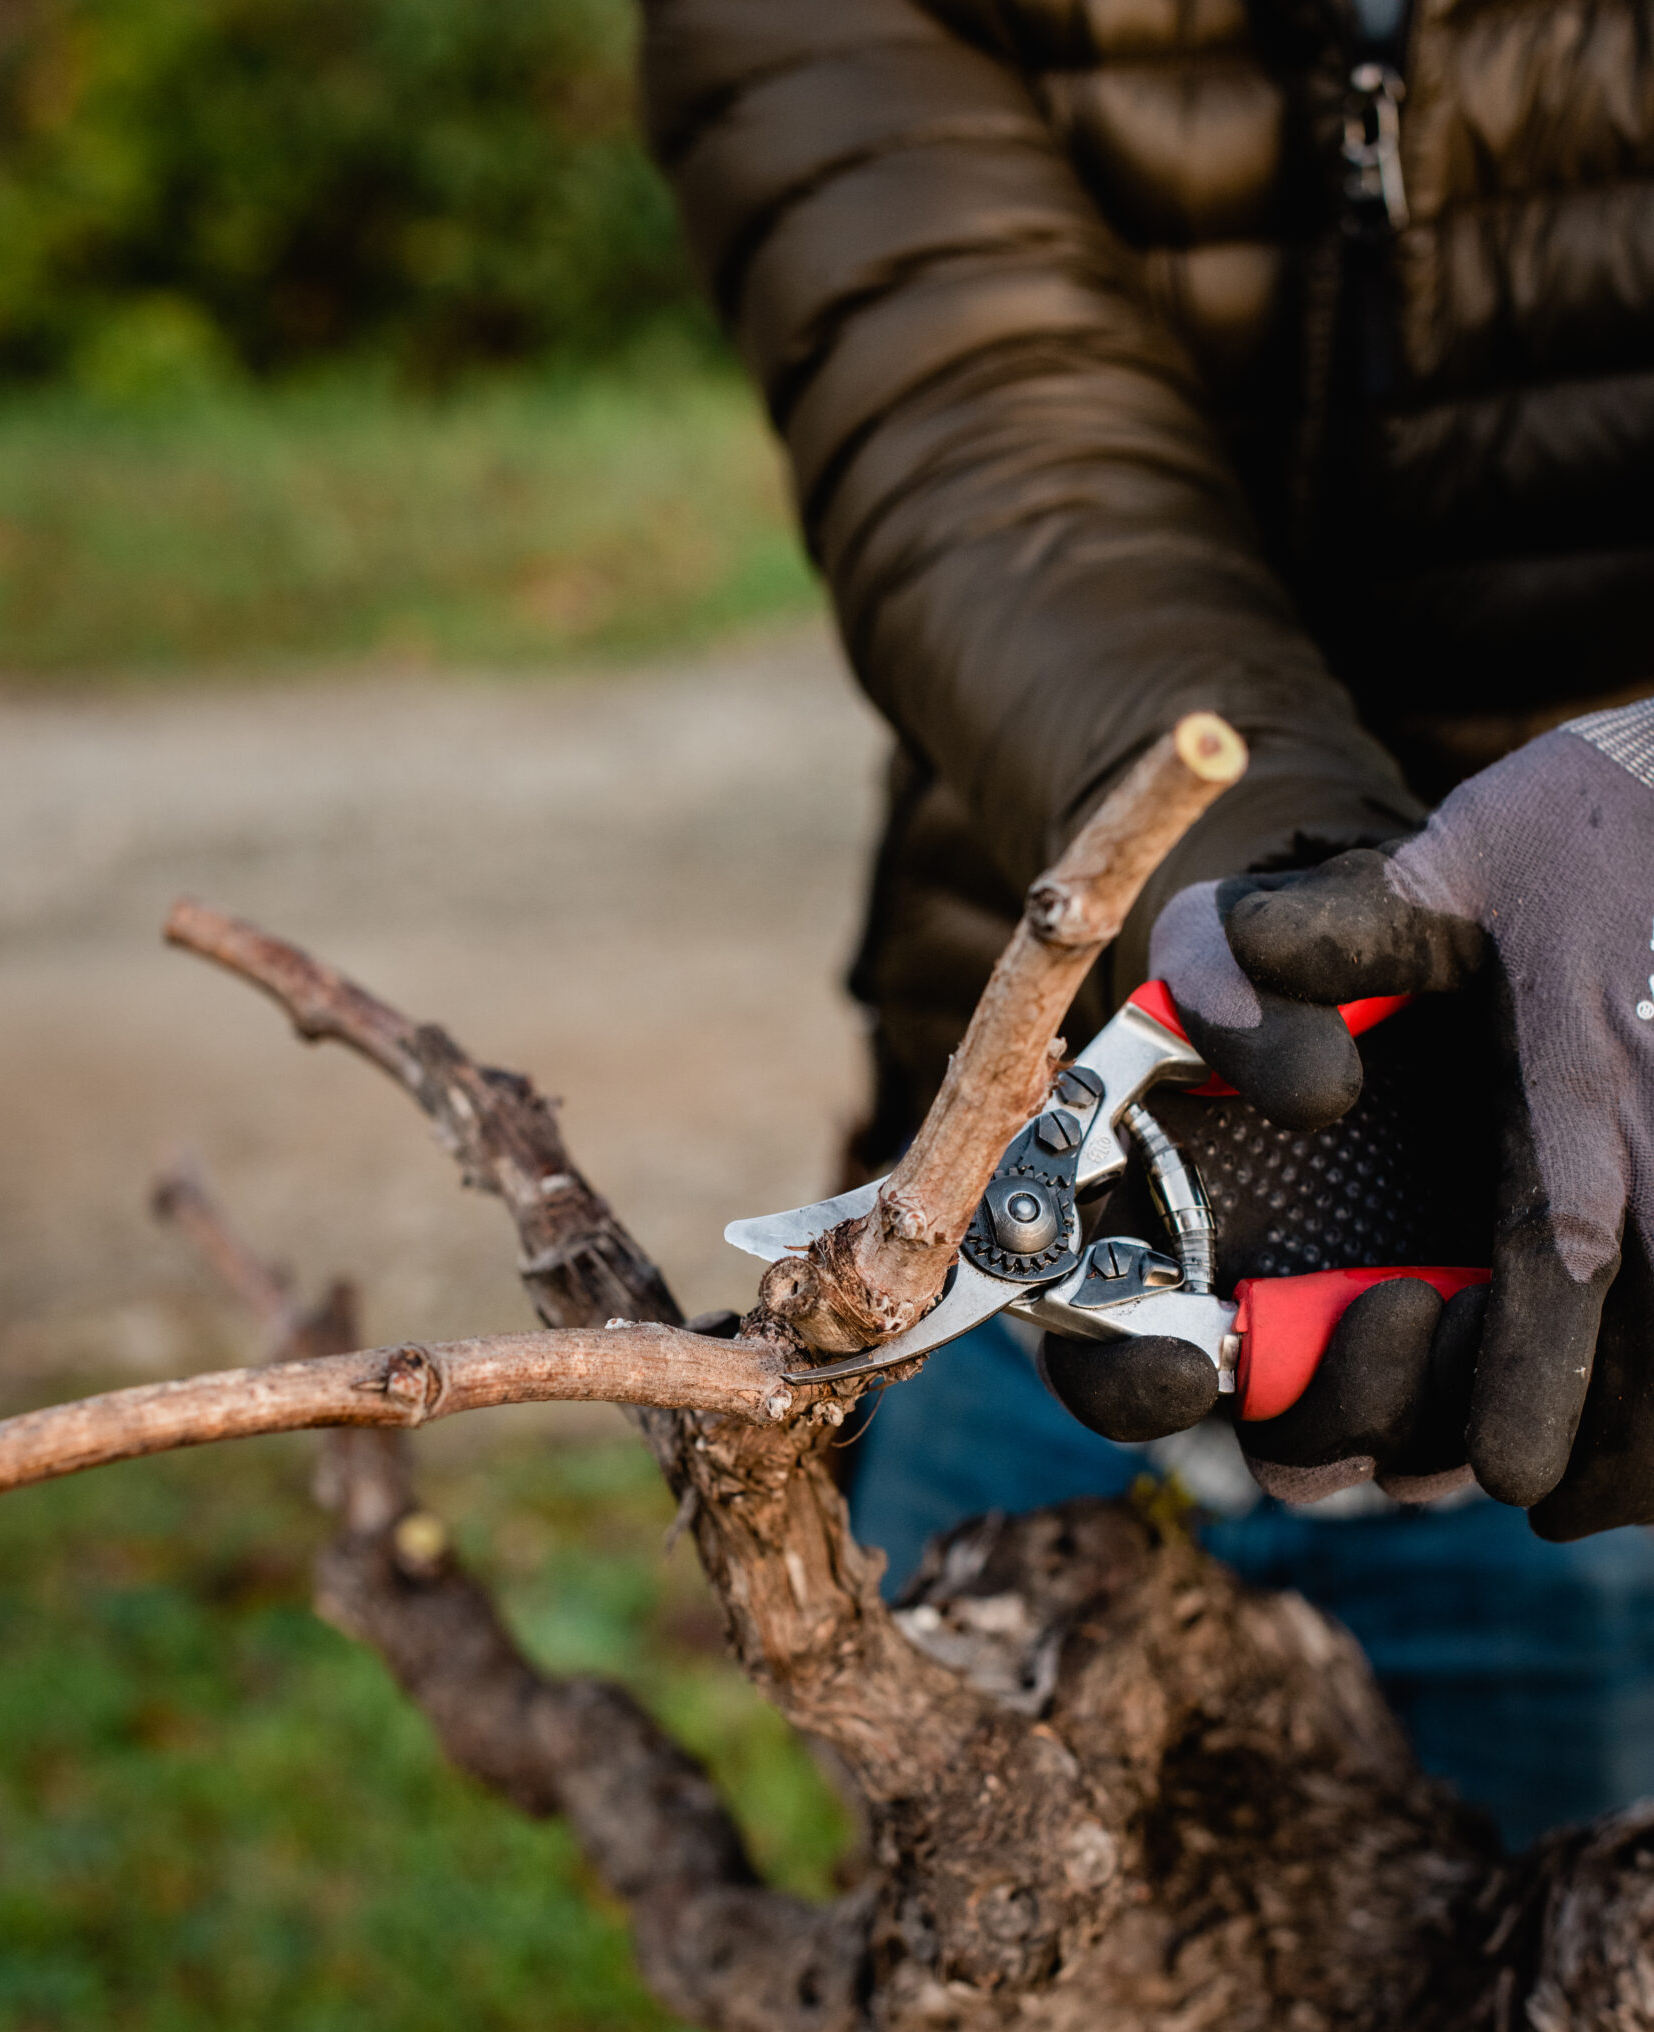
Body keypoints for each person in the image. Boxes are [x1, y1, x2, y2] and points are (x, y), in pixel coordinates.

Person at [637, 0, 1654, 1852]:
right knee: (976, 1999)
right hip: (1051, 1151)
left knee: (1540, 2019)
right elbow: (981, 424)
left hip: (1594, 1186)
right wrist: (1283, 897)